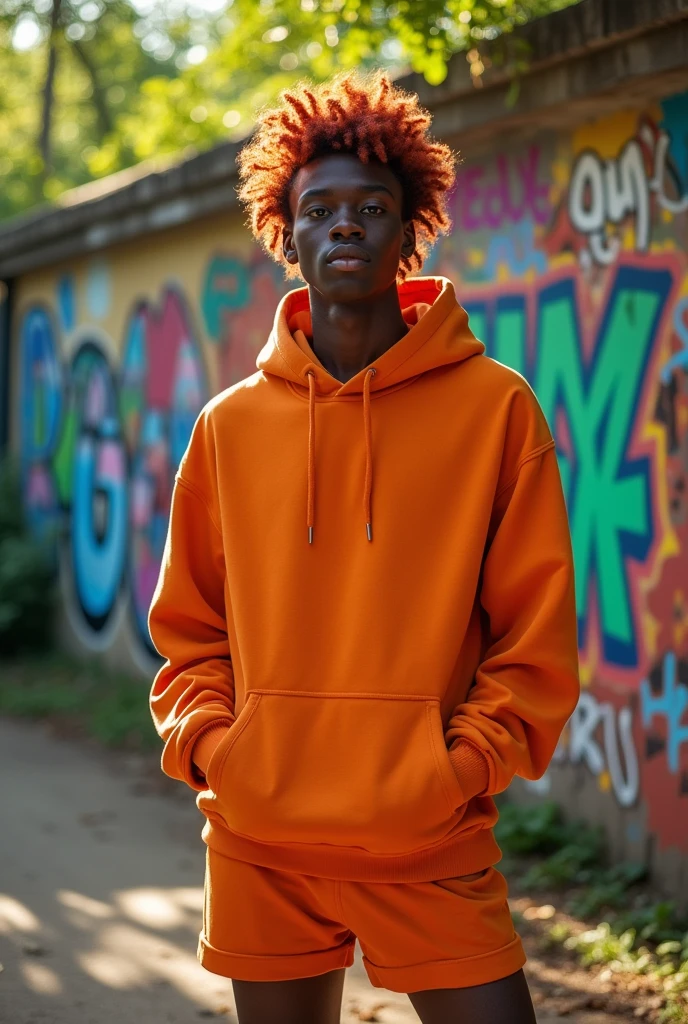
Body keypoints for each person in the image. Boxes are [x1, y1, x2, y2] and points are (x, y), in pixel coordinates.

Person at [148, 70, 580, 1024]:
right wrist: (222, 751)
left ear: (409, 227)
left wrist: (457, 768)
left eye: (371, 207)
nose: (345, 225)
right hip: (262, 844)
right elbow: (189, 631)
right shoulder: (229, 427)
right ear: (286, 234)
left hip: (429, 841)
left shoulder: (496, 411)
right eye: (320, 209)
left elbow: (533, 634)